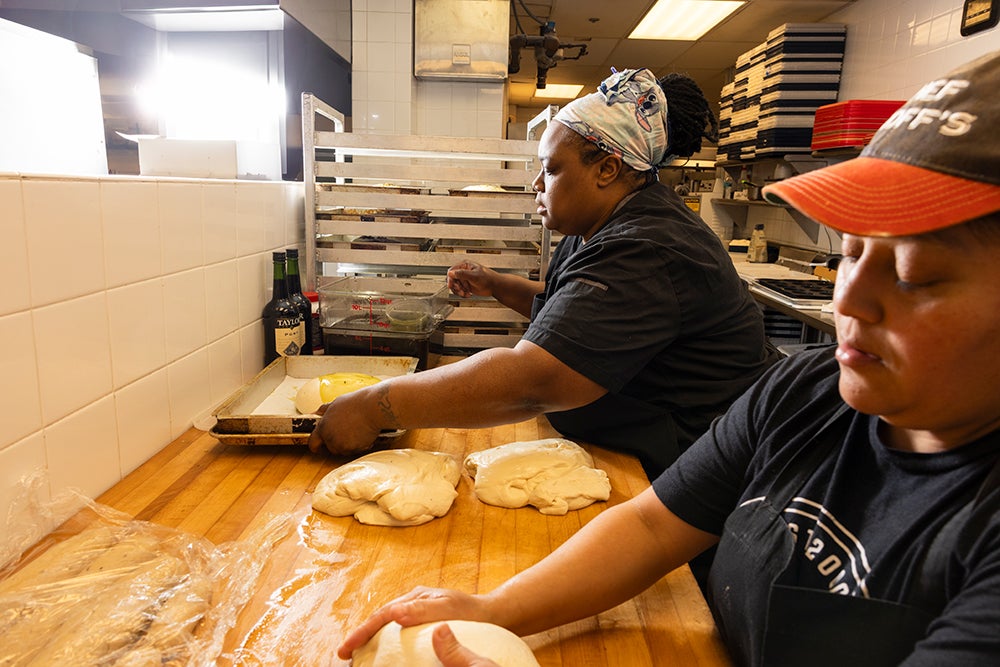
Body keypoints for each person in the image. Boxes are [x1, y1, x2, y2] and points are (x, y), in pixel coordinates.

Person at [335, 51, 1000, 666]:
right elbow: (653, 526)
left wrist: (378, 404)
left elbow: (538, 376)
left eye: (915, 274)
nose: (851, 299)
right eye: (850, 253)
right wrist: (492, 611)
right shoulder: (807, 393)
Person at [309, 68, 777, 479]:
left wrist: (376, 406)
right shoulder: (599, 221)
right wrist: (494, 283)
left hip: (698, 464)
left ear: (608, 169)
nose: (537, 185)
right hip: (643, 449)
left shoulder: (647, 246)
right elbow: (573, 318)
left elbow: (533, 381)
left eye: (550, 170)